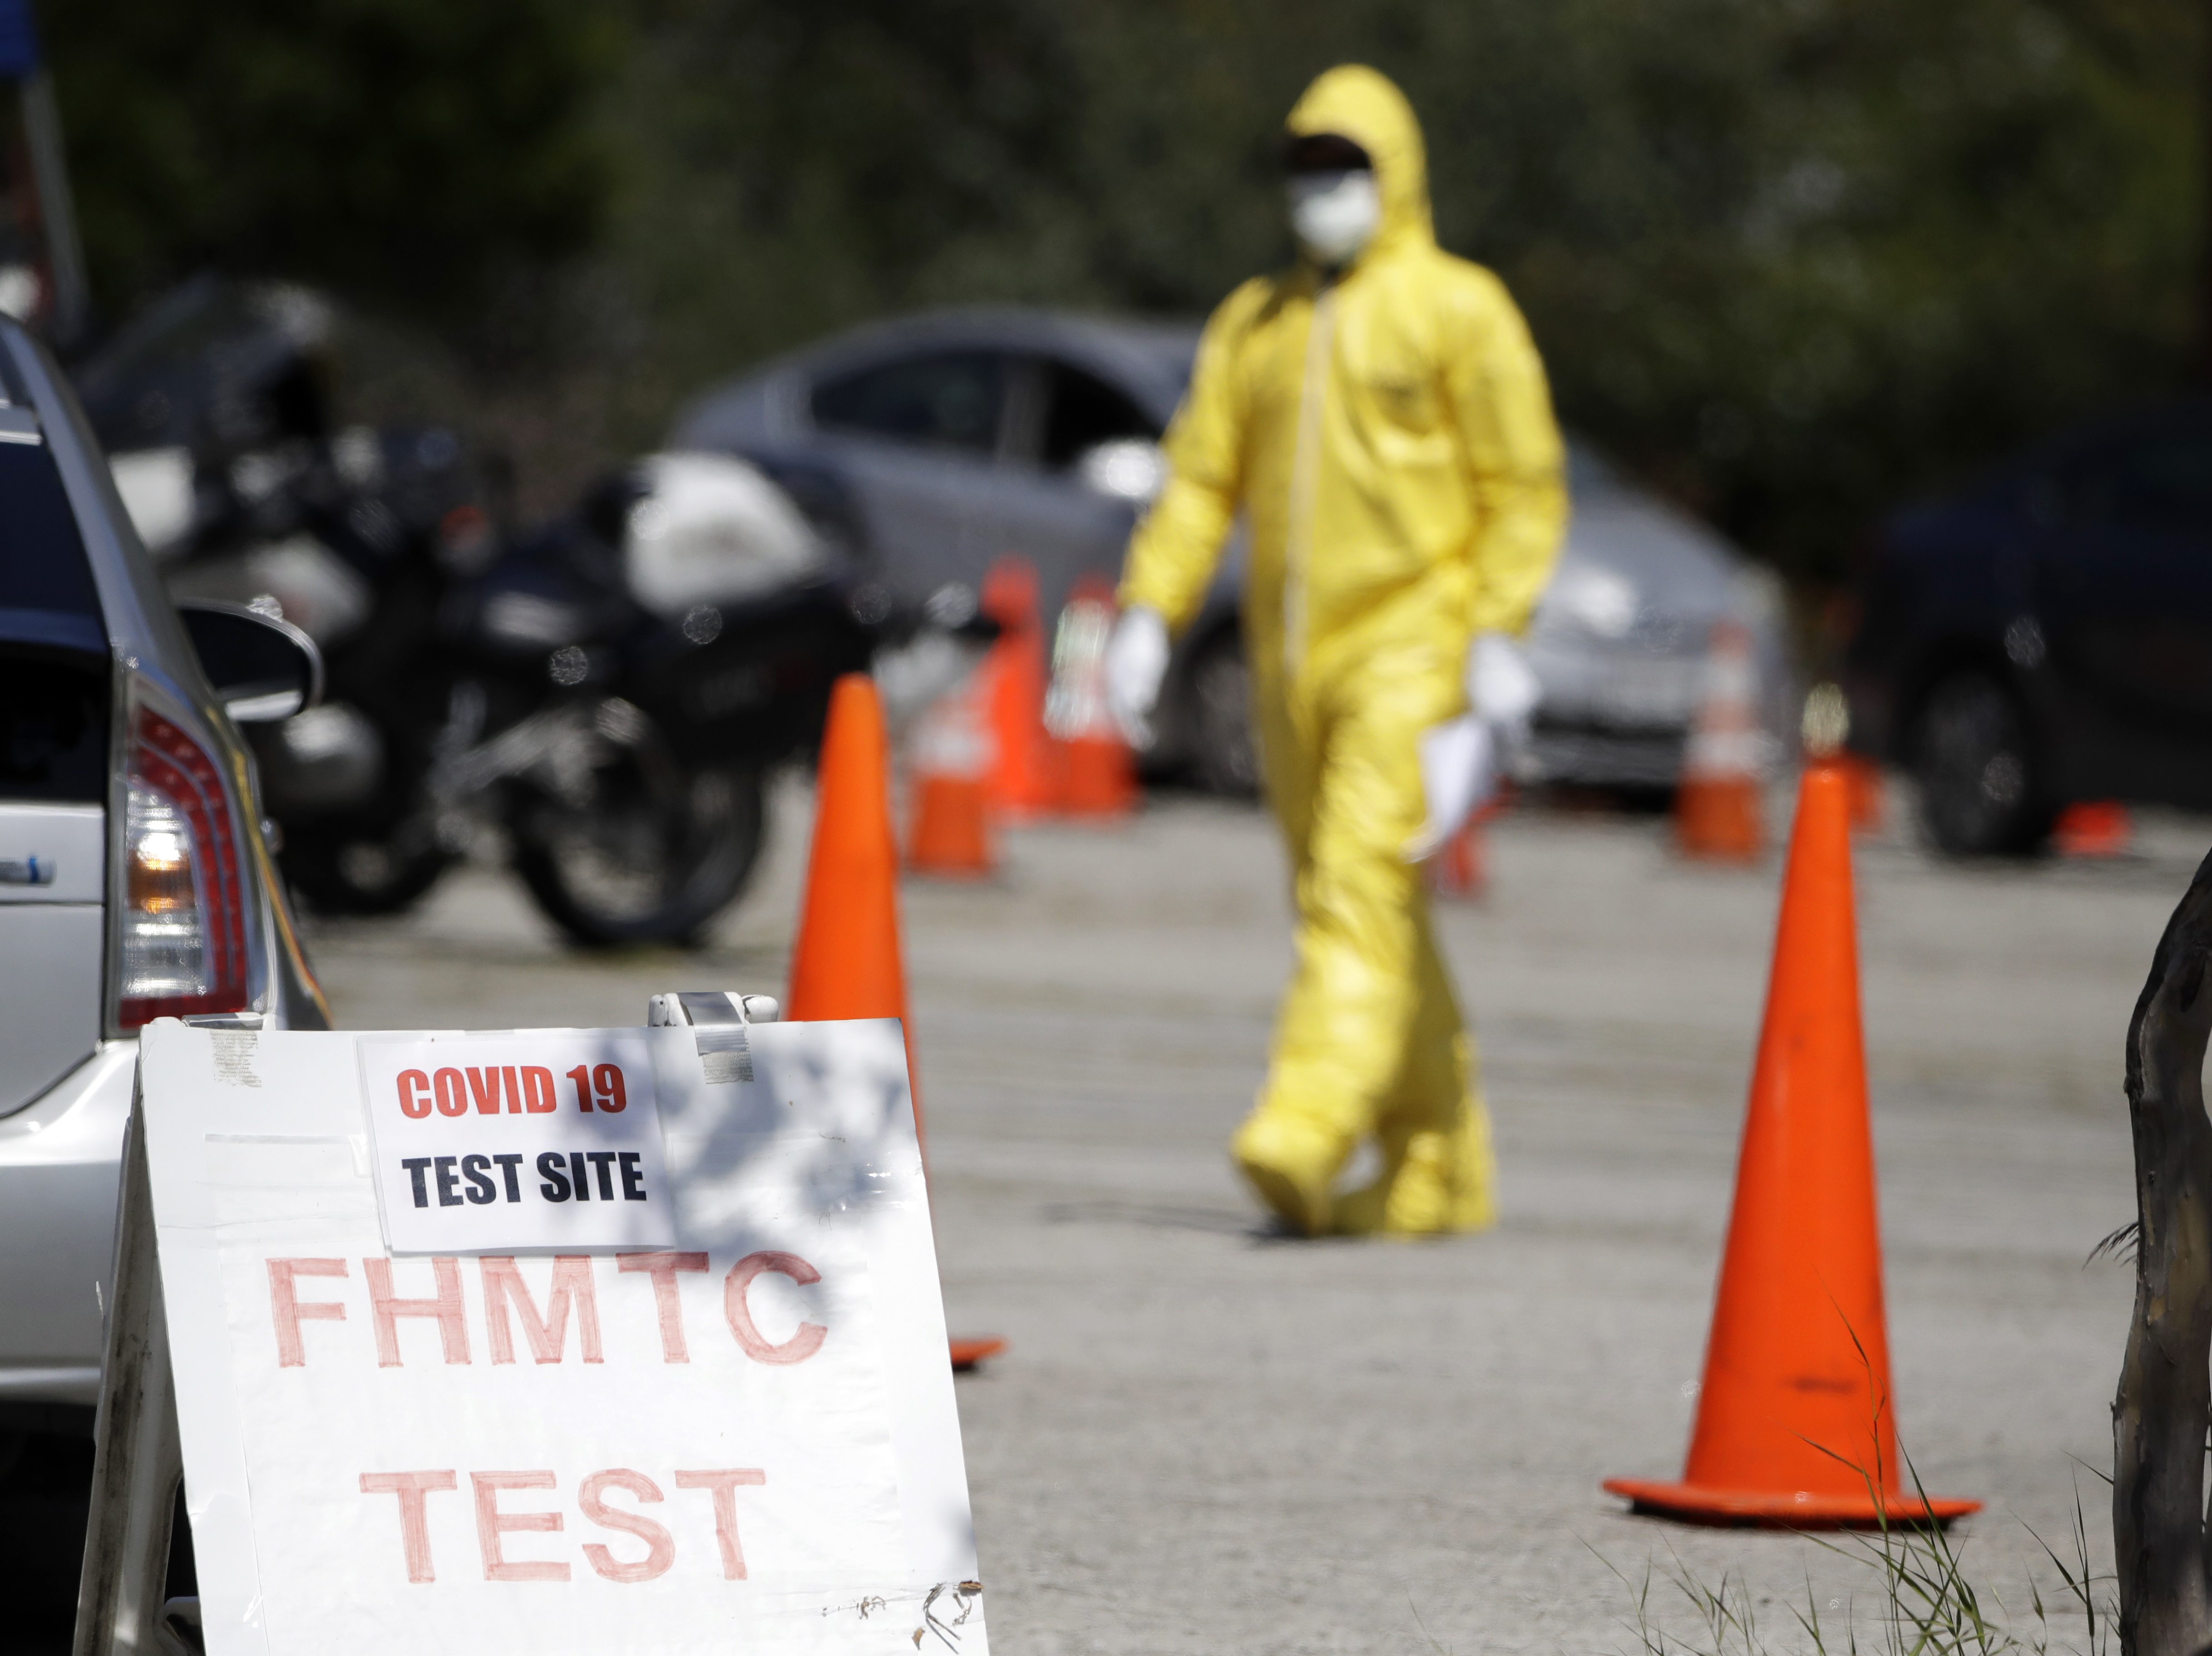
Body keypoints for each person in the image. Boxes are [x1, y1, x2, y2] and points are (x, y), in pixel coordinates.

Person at [1107, 64, 1567, 1237]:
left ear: (1394, 172)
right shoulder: (1255, 323)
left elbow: (1521, 486)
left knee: (1356, 888)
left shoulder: (1460, 310)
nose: (1321, 190)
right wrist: (1149, 612)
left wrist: (1497, 640)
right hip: (1288, 667)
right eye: (1304, 167)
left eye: (1344, 166)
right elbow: (1202, 480)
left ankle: (1302, 1129)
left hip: (1413, 647)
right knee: (1359, 905)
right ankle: (1437, 1169)